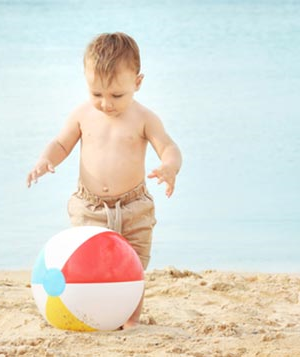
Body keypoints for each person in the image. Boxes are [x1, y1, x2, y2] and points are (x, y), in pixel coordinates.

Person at [27, 32, 182, 329]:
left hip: (134, 207)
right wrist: (46, 160)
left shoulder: (145, 118)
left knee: (132, 266)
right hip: (90, 207)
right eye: (96, 94)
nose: (106, 104)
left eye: (116, 95)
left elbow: (169, 147)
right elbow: (61, 144)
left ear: (137, 83)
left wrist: (169, 167)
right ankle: (91, 312)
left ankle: (131, 320)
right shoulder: (82, 114)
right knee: (88, 263)